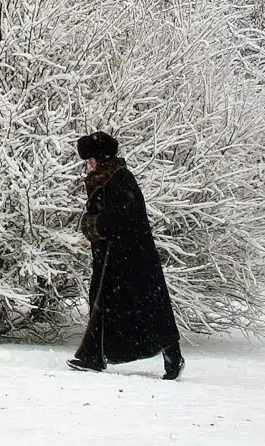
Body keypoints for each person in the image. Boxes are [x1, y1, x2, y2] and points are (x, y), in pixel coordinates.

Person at [68, 130, 184, 380]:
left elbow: (118, 218)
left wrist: (92, 225)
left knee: (147, 306)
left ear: (101, 158)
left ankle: (172, 357)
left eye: (91, 159)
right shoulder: (108, 178)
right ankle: (94, 356)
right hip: (115, 256)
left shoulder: (119, 179)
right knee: (106, 305)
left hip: (129, 258)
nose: (89, 164)